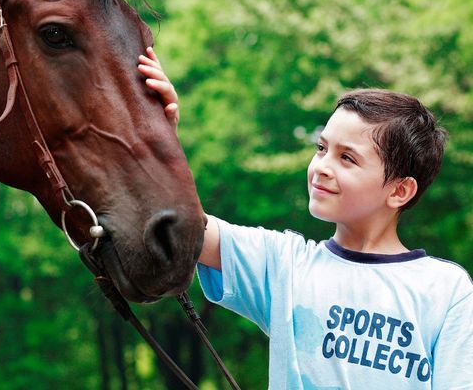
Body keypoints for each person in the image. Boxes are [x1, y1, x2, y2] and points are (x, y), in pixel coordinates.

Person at [138, 47, 473, 389]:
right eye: (321, 148)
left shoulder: (446, 290)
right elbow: (183, 222)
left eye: (348, 159)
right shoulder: (284, 265)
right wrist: (158, 132)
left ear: (399, 191)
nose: (322, 167)